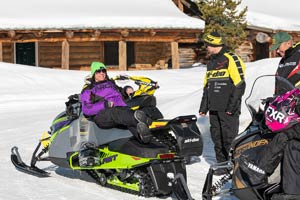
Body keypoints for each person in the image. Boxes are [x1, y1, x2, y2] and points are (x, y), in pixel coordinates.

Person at [251, 32, 300, 199]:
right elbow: (280, 86)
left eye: (278, 48)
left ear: (287, 43)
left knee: (286, 140)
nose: (277, 52)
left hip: (296, 112)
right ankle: (273, 182)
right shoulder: (283, 61)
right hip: (286, 112)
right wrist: (272, 102)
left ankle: (260, 172)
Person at [199, 31, 246, 175]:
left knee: (229, 139)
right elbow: (207, 87)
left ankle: (234, 167)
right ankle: (222, 166)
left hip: (228, 108)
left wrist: (231, 107)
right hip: (214, 108)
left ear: (214, 44)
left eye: (208, 44)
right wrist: (204, 107)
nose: (206, 47)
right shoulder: (211, 62)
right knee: (217, 138)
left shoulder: (231, 58)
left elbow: (240, 85)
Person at [80, 62, 153, 145]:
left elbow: (119, 92)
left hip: (122, 110)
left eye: (103, 71)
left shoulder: (110, 83)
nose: (102, 73)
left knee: (130, 113)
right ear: (93, 73)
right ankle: (144, 119)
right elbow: (86, 109)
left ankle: (144, 139)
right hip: (102, 115)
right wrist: (104, 105)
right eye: (98, 71)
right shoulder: (89, 89)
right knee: (117, 113)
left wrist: (126, 90)